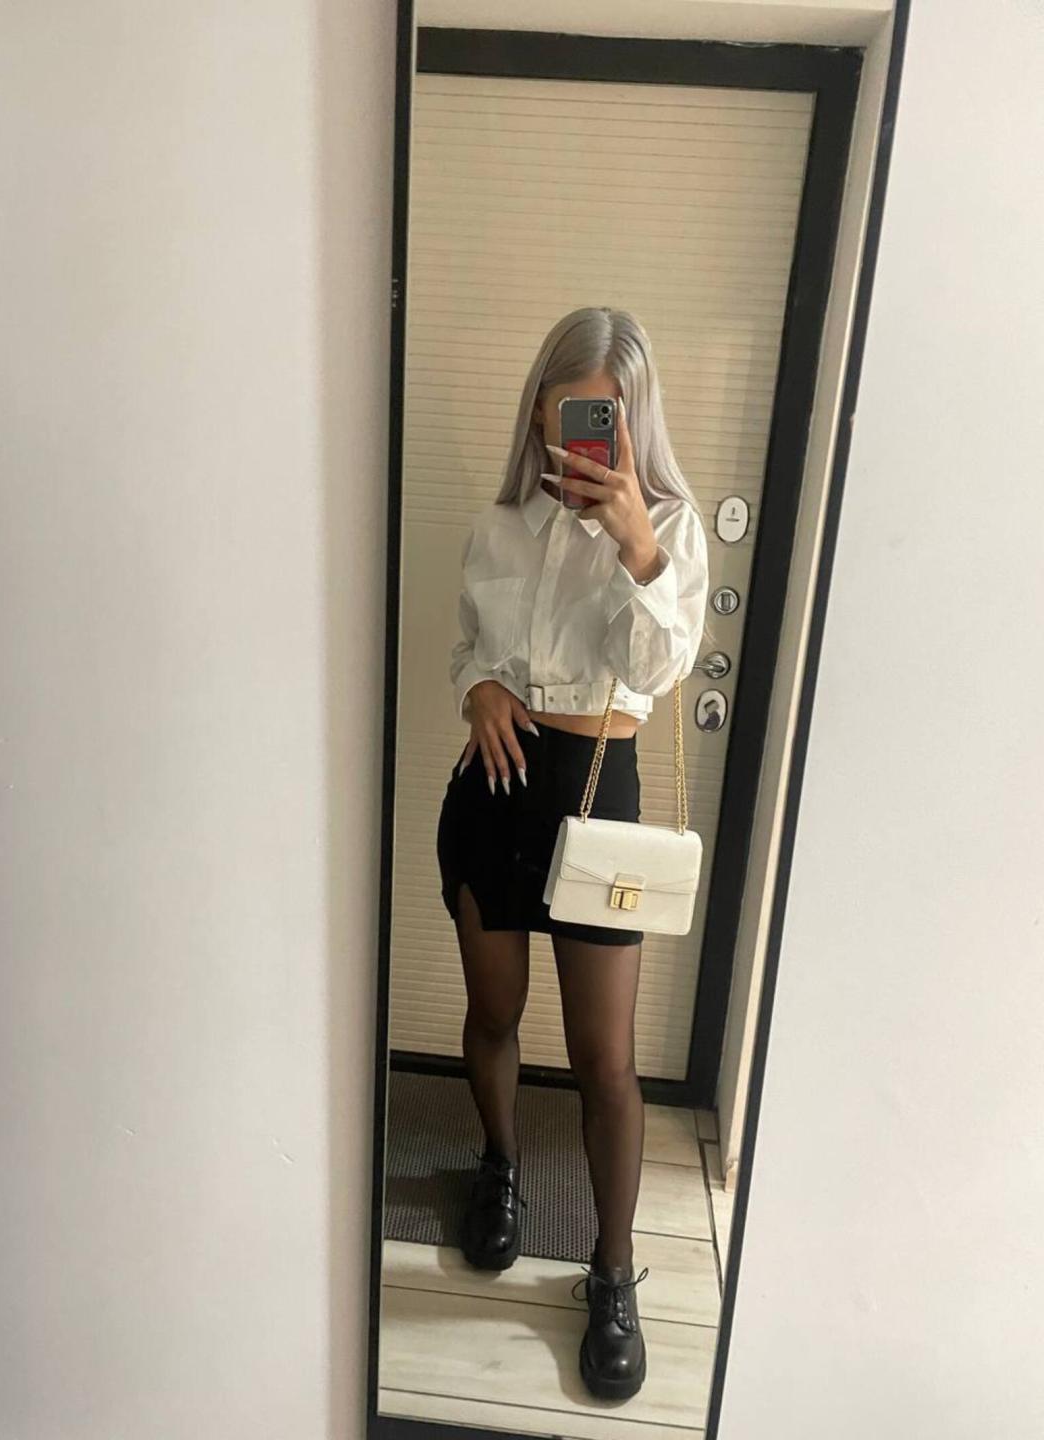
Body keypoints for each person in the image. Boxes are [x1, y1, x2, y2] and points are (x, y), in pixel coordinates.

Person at [435, 305, 710, 1401]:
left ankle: (612, 1270)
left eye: (607, 417)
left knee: (605, 1061)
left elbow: (660, 669)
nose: (584, 436)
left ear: (635, 421)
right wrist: (476, 684)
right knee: (493, 1012)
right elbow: (467, 643)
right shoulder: (500, 523)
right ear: (539, 409)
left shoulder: (672, 527)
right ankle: (501, 1166)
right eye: (568, 411)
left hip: (599, 797)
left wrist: (636, 542)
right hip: (496, 788)